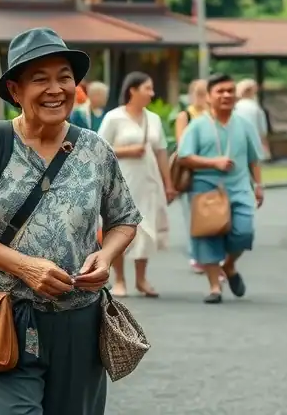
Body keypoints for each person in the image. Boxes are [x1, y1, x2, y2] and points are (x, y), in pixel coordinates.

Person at [0, 27, 139, 414]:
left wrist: (107, 254)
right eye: (40, 79)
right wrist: (25, 267)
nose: (56, 89)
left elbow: (124, 219)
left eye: (64, 77)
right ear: (15, 91)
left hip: (79, 320)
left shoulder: (94, 149)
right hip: (3, 317)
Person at [178, 73, 264, 304]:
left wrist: (259, 186)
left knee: (244, 232)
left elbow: (254, 158)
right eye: (220, 91)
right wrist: (212, 162)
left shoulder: (244, 124)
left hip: (239, 189)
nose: (226, 95)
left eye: (230, 90)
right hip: (205, 188)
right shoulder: (197, 125)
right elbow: (184, 156)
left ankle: (229, 265)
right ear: (208, 97)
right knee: (208, 237)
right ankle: (214, 287)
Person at [98, 72, 177, 298]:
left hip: (148, 180)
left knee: (146, 227)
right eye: (147, 88)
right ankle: (120, 279)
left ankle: (141, 278)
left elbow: (161, 151)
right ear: (132, 90)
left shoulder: (153, 119)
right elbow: (99, 148)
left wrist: (168, 182)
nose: (152, 93)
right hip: (122, 180)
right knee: (119, 227)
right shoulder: (114, 118)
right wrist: (126, 151)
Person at [174, 79, 216, 275]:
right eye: (198, 93)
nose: (201, 98)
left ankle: (212, 257)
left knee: (213, 217)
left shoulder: (212, 117)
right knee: (193, 216)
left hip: (213, 174)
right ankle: (196, 255)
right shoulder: (186, 116)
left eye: (204, 93)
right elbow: (183, 146)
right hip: (192, 174)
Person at [234, 78, 271, 162]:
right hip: (253, 143)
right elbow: (262, 131)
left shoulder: (235, 107)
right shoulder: (255, 108)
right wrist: (266, 149)